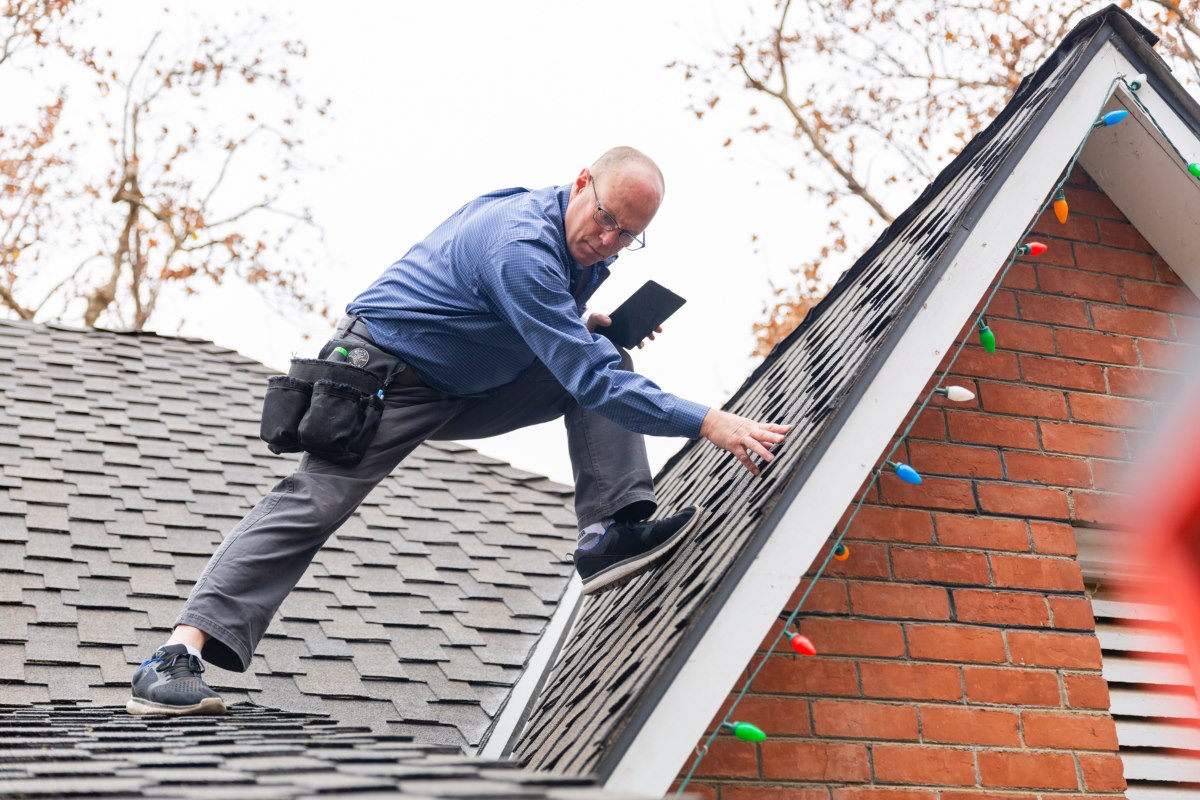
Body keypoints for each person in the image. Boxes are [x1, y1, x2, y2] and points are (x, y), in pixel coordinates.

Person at [126, 146, 792, 716]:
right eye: (607, 220)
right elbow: (577, 365)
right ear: (582, 181)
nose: (609, 241)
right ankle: (174, 656)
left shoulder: (569, 241)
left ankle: (610, 531)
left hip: (465, 385)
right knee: (313, 502)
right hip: (382, 376)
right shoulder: (520, 244)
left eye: (628, 236)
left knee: (606, 356)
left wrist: (581, 326)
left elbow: (543, 331)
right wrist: (708, 421)